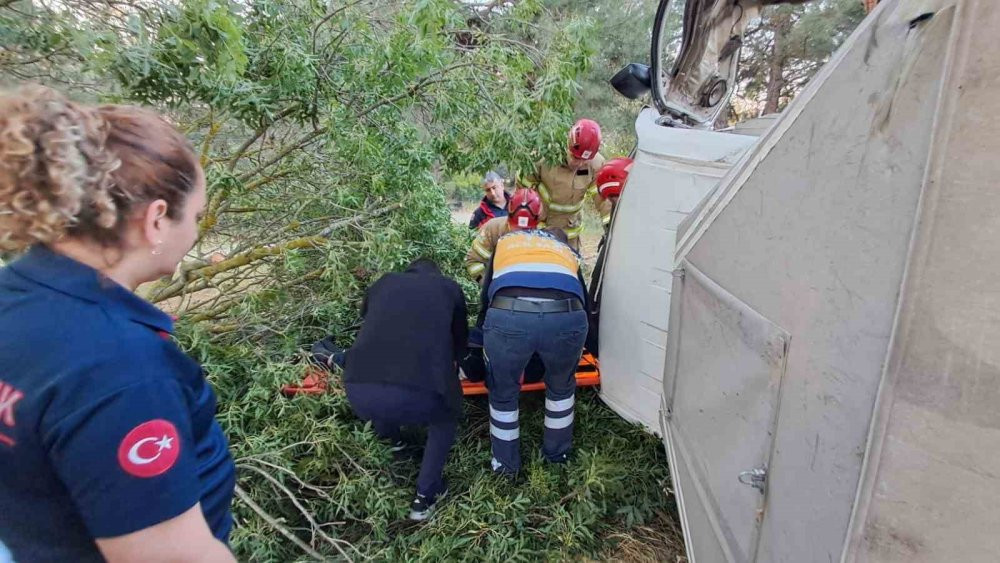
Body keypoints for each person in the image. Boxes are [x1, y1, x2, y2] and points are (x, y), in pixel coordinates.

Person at [0, 86, 235, 561]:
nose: (195, 233)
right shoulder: (121, 369)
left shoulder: (14, 297)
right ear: (156, 220)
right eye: (196, 216)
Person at [343, 258, 467, 521]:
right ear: (437, 273)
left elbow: (369, 322)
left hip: (358, 389)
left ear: (407, 270)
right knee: (446, 415)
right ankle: (425, 497)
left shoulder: (383, 283)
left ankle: (396, 445)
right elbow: (461, 345)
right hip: (419, 394)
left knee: (379, 376)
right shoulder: (449, 288)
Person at [478, 189, 589, 477]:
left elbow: (485, 296)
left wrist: (482, 336)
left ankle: (505, 467)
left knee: (503, 394)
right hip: (567, 318)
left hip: (509, 318)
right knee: (562, 388)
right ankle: (558, 456)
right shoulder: (566, 249)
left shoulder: (504, 242)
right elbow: (584, 299)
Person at [518, 119, 612, 249]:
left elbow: (603, 200)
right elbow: (523, 191)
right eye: (575, 158)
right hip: (540, 228)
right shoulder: (544, 156)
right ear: (568, 144)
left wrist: (609, 226)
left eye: (584, 161)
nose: (579, 164)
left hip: (569, 234)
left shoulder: (596, 165)